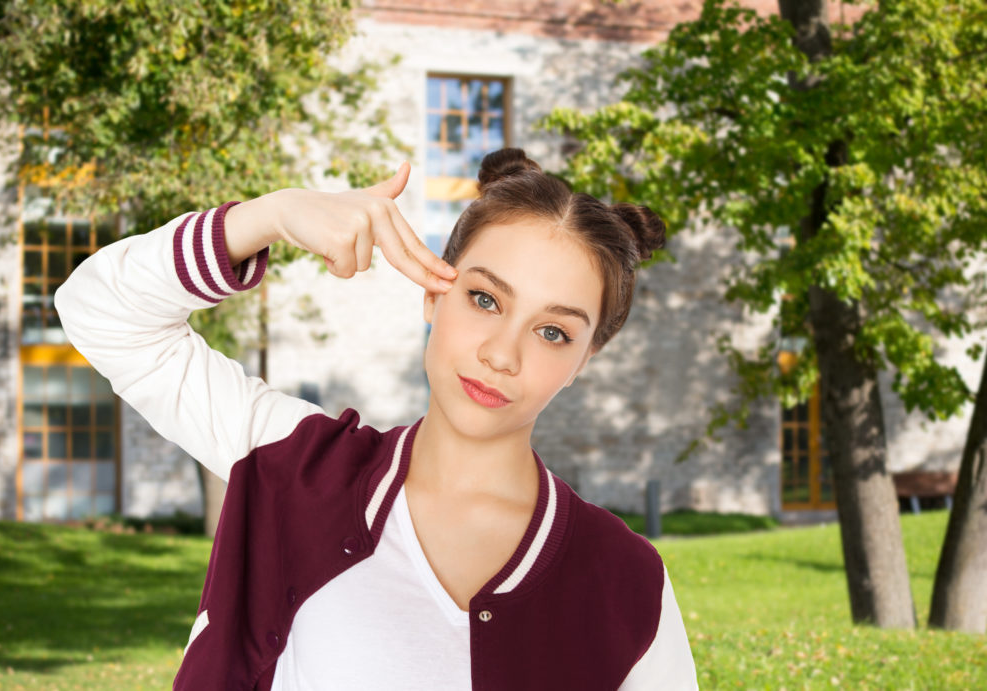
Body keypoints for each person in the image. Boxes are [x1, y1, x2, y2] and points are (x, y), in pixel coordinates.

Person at [56, 148, 698, 690]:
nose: (502, 353)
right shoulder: (292, 464)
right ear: (432, 292)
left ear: (585, 359)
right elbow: (100, 310)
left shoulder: (627, 583)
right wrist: (271, 215)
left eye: (554, 332)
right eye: (483, 299)